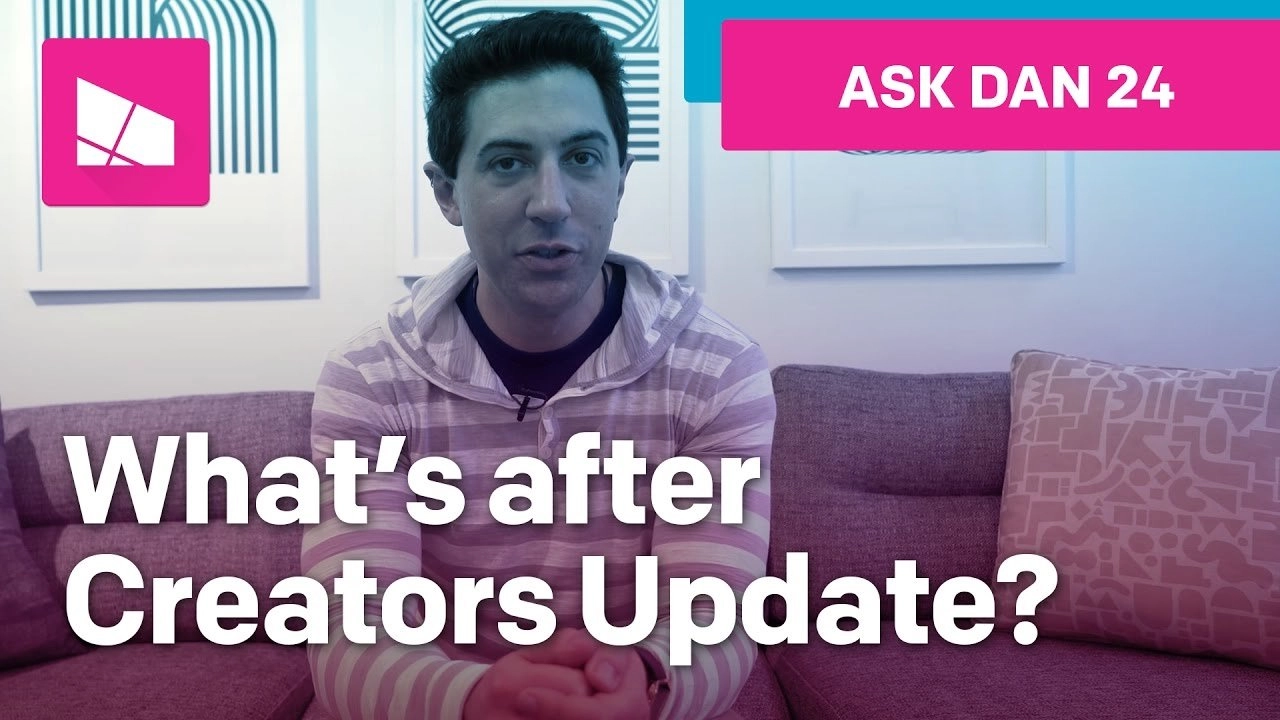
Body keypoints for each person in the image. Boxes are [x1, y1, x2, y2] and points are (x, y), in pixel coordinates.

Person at [302, 10, 775, 720]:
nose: (551, 203)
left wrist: (642, 682)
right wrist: (479, 699)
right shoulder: (370, 380)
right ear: (447, 192)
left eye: (582, 158)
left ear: (621, 179)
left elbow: (716, 614)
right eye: (508, 163)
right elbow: (351, 632)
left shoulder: (717, 369)